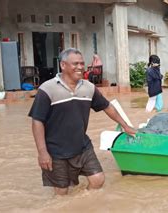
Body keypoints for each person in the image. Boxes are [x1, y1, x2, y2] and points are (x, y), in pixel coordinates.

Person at [28, 48, 136, 195]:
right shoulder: (47, 89)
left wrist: (125, 126)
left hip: (82, 146)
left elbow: (107, 107)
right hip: (56, 151)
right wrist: (42, 152)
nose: (80, 67)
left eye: (82, 63)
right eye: (75, 64)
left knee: (98, 179)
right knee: (61, 193)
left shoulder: (88, 88)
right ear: (63, 65)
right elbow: (37, 121)